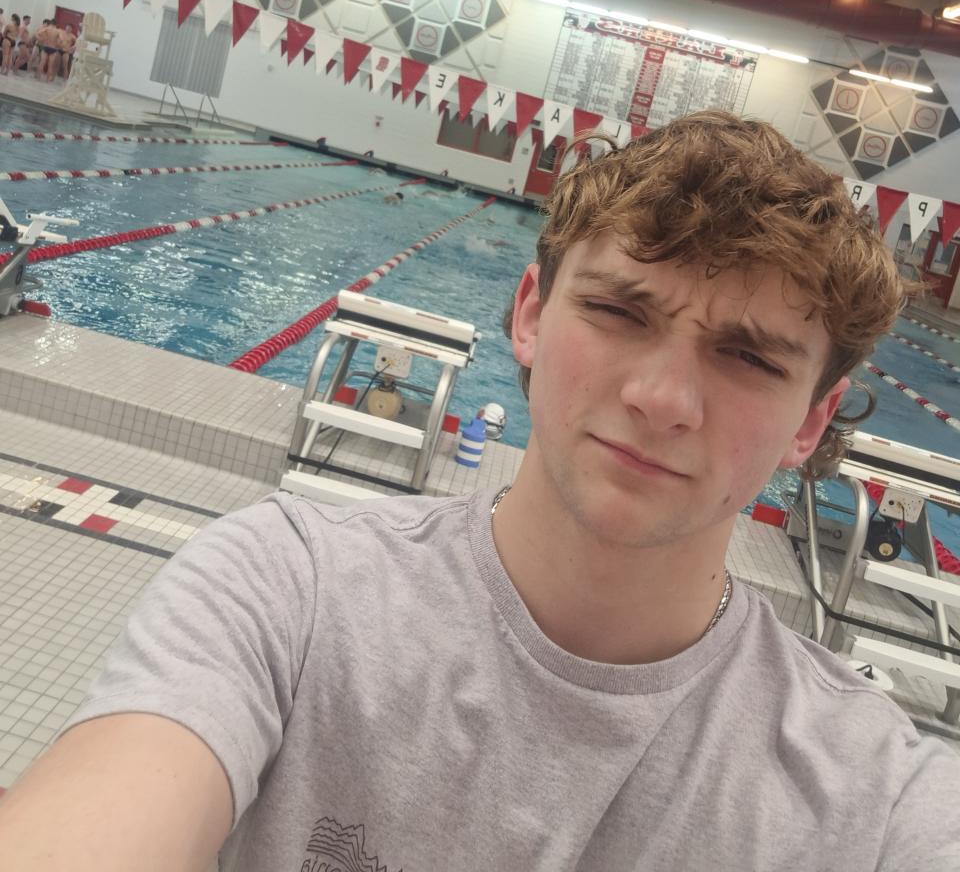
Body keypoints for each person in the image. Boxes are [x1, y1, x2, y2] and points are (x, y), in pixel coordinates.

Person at [1, 110, 959, 872]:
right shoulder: (287, 594)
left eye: (748, 357)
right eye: (618, 311)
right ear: (530, 315)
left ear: (811, 420)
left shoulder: (872, 793)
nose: (663, 399)